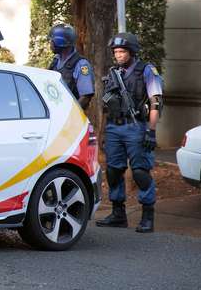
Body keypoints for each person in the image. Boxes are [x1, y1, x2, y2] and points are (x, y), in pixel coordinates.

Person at [96, 32, 164, 233]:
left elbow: (156, 101)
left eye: (122, 51)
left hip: (136, 127)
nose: (118, 55)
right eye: (116, 51)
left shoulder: (147, 70)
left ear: (132, 52)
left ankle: (147, 216)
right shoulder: (114, 72)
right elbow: (105, 106)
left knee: (140, 172)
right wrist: (103, 133)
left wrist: (151, 131)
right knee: (113, 171)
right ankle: (118, 215)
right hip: (114, 128)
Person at [47, 24, 95, 110]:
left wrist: (70, 114)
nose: (50, 44)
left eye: (51, 41)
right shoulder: (55, 61)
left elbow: (85, 97)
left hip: (70, 117)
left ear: (59, 42)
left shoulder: (81, 64)